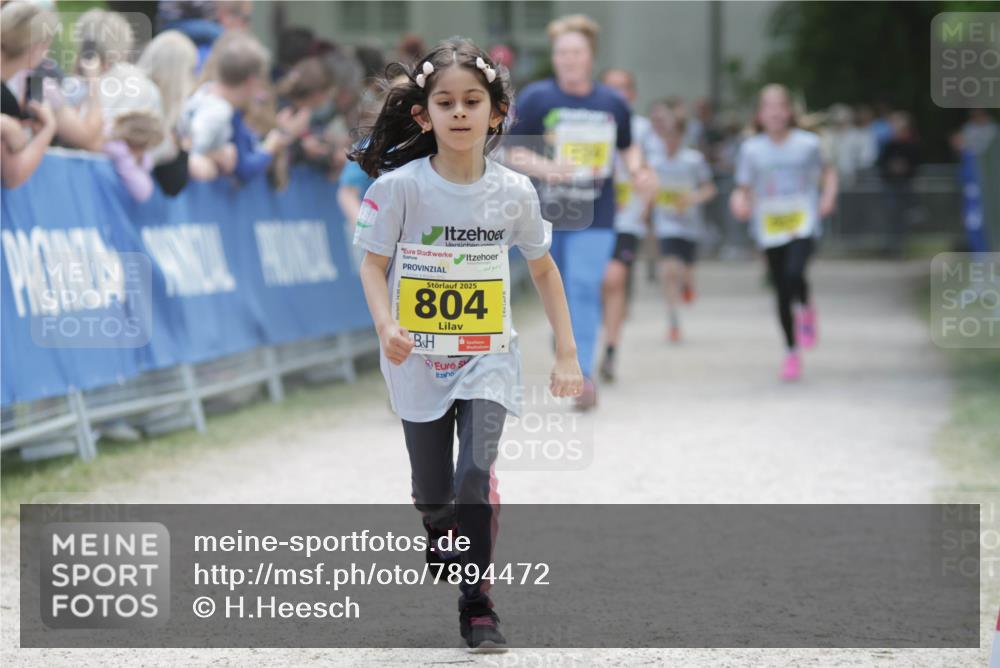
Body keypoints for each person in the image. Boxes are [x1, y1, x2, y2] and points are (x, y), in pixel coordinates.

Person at [350, 37, 583, 652]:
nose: (459, 112)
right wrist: (387, 326)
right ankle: (436, 520)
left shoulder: (514, 193)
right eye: (445, 102)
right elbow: (373, 267)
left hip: (488, 358)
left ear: (496, 113)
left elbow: (544, 271)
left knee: (475, 479)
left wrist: (566, 353)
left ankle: (477, 605)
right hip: (417, 360)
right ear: (423, 115)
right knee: (435, 493)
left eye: (472, 101)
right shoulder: (400, 189)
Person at [505, 14, 655, 409]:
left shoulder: (612, 103)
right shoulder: (538, 98)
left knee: (586, 288)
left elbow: (627, 146)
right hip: (547, 213)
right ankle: (567, 344)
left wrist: (639, 171)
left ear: (590, 57)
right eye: (561, 53)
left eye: (576, 52)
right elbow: (512, 150)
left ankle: (583, 374)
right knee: (559, 292)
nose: (568, 59)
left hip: (595, 212)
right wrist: (546, 168)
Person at [730, 84, 837, 381]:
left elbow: (828, 172)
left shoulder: (808, 144)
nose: (775, 112)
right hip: (769, 224)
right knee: (779, 286)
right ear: (760, 114)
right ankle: (791, 351)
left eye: (780, 106)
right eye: (768, 106)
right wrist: (739, 201)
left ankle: (805, 307)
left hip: (803, 220)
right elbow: (743, 187)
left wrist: (828, 197)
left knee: (794, 273)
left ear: (789, 111)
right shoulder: (751, 148)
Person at [179, 32, 309, 182]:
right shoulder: (218, 110)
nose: (261, 91)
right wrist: (269, 147)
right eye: (261, 82)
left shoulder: (208, 94)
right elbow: (189, 151)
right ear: (252, 81)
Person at [596, 68, 655, 382]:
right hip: (586, 215)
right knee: (586, 282)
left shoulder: (642, 129)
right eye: (611, 88)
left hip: (626, 218)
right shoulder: (588, 119)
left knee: (614, 280)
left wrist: (647, 195)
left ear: (632, 94)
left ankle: (610, 350)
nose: (618, 94)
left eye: (623, 88)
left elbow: (652, 168)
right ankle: (573, 333)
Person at [647, 99, 716, 343]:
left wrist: (693, 198)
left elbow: (709, 189)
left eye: (675, 135)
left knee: (686, 272)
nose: (670, 140)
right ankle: (673, 319)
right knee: (668, 270)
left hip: (689, 225)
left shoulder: (693, 160)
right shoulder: (653, 161)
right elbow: (647, 190)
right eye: (666, 135)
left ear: (682, 136)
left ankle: (688, 286)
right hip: (666, 224)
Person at [138, 30, 199, 196]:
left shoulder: (174, 116)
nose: (194, 79)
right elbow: (173, 182)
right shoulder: (144, 99)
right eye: (191, 70)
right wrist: (182, 147)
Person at [877, 111, 920, 258]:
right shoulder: (889, 145)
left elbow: (916, 165)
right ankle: (891, 245)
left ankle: (903, 245)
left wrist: (904, 168)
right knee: (891, 215)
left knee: (905, 216)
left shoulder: (912, 145)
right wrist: (891, 168)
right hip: (891, 185)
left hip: (906, 186)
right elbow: (880, 164)